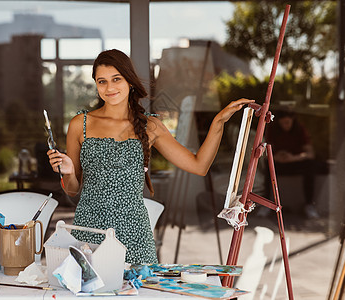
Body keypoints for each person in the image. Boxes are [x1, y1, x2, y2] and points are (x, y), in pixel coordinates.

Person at [48, 49, 254, 264]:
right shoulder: (79, 124)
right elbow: (72, 189)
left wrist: (218, 122)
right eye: (102, 81)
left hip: (134, 234)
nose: (109, 88)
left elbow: (199, 165)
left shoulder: (150, 126)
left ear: (129, 81)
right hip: (88, 230)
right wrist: (68, 172)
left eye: (116, 79)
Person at [265, 109, 319, 219]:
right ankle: (266, 203)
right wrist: (277, 157)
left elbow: (310, 154)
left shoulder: (300, 130)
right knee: (266, 167)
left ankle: (309, 204)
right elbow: (265, 151)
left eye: (287, 122)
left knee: (310, 166)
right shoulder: (272, 130)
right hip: (278, 162)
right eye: (282, 123)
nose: (285, 126)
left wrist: (293, 158)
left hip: (296, 162)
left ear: (292, 121)